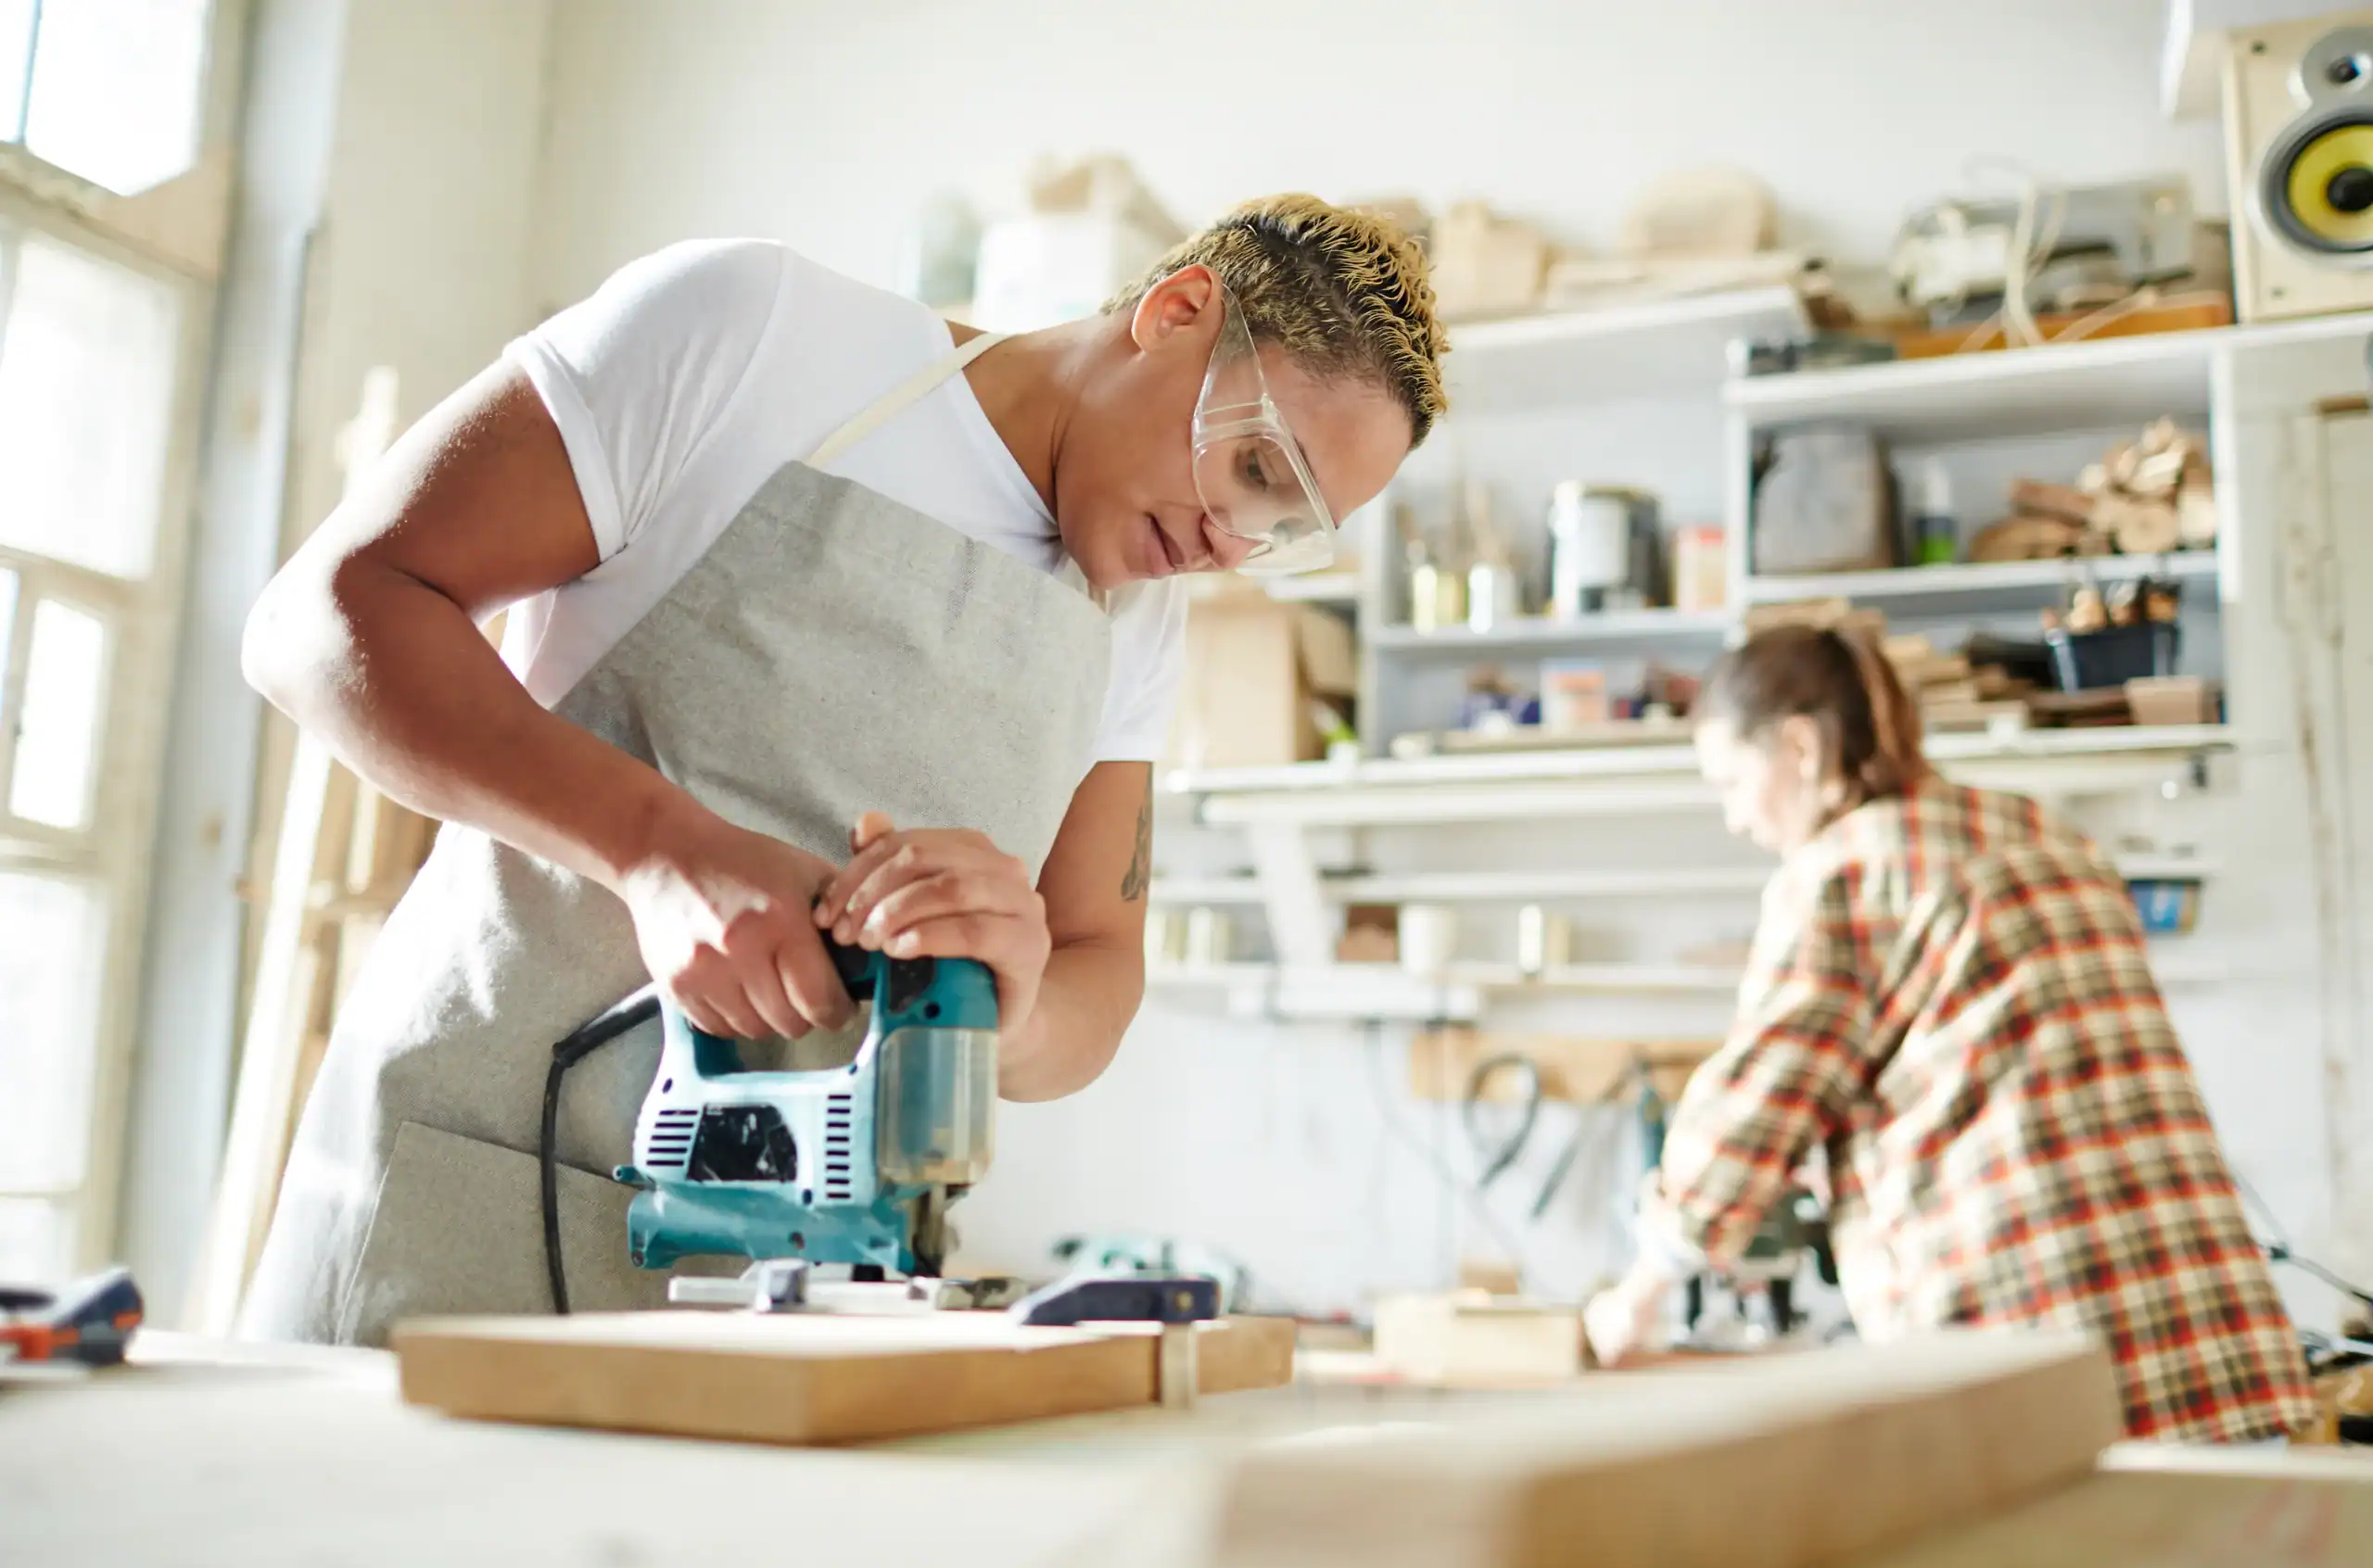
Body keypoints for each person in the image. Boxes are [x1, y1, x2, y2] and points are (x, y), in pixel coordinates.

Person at [235, 195, 1448, 1345]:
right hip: (478, 1188)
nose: (1235, 545)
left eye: (1289, 530)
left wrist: (1012, 1005)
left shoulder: (1134, 619)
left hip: (801, 1288)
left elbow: (1098, 968)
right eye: (1254, 467)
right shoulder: (755, 336)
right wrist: (660, 850)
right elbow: (324, 615)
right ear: (1176, 313)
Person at [1582, 622, 2314, 1443]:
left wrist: (1637, 1294)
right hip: (2214, 1344)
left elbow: (1759, 1105)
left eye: (1730, 781)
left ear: (1798, 747)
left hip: (2034, 1358)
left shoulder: (1845, 869)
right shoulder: (2046, 834)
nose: (1734, 818)